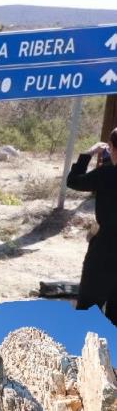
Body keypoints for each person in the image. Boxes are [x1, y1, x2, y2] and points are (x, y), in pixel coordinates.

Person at [67, 128, 117, 325]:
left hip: (105, 249)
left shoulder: (106, 175)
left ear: (111, 148)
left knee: (89, 308)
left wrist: (88, 154)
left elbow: (73, 181)